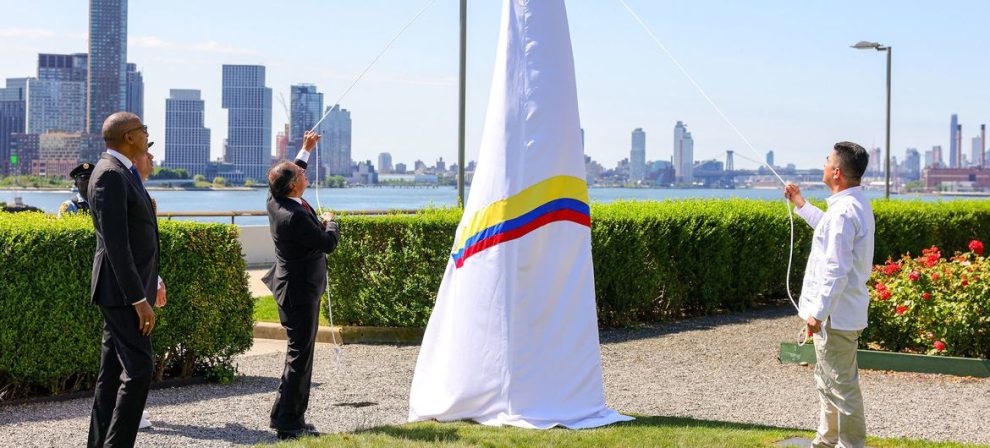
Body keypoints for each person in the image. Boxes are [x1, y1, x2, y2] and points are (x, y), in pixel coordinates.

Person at [784, 141, 874, 448]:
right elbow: (826, 228)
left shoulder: (844, 211)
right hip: (840, 314)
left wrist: (817, 314)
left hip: (836, 316)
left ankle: (849, 444)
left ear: (836, 172)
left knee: (842, 387)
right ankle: (826, 440)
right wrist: (800, 203)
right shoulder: (851, 206)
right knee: (828, 382)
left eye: (826, 161)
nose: (823, 165)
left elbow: (836, 269)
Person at [86, 111, 166, 448]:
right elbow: (116, 247)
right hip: (122, 294)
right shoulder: (111, 175)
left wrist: (153, 281)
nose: (148, 136)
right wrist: (139, 300)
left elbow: (135, 237)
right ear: (129, 136)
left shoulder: (122, 172)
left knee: (110, 376)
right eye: (144, 130)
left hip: (125, 290)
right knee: (139, 369)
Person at [263, 130, 340, 440]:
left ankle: (283, 414)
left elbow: (293, 172)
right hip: (299, 292)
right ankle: (290, 423)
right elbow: (327, 243)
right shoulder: (293, 216)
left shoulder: (275, 198)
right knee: (300, 357)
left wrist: (304, 151)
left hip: (294, 288)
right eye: (301, 175)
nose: (306, 178)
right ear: (293, 185)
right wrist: (331, 220)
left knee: (298, 354)